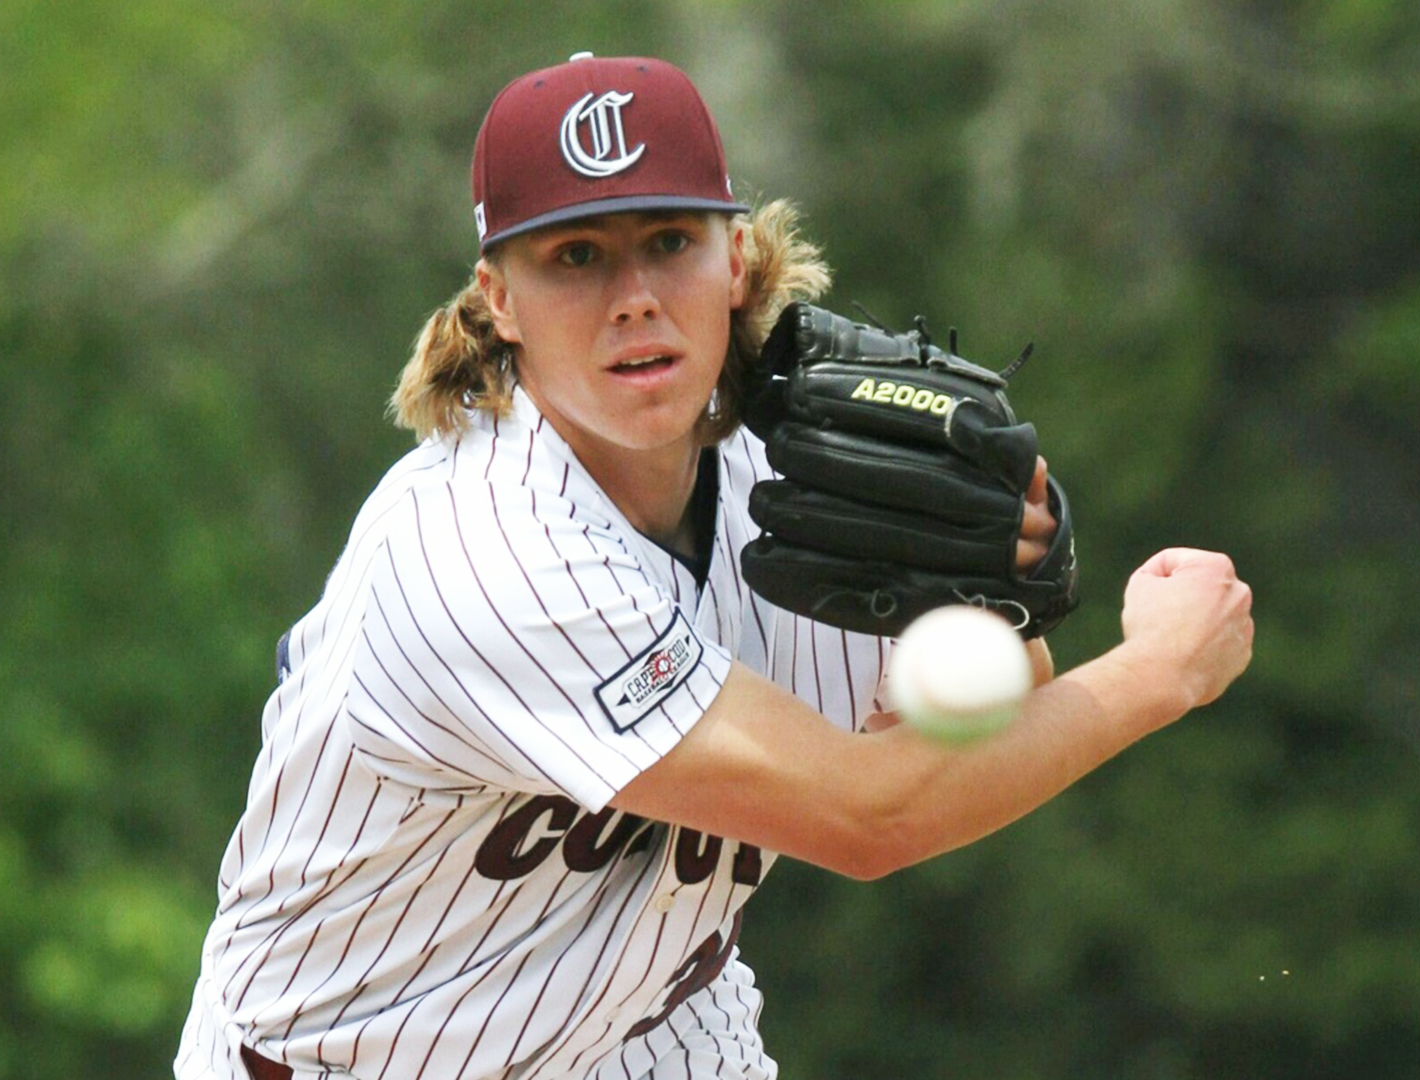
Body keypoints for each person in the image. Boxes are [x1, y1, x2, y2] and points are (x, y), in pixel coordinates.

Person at [175, 52, 1253, 1080]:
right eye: (576, 256)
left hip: (646, 1029)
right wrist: (1159, 672)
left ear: (735, 259)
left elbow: (981, 729)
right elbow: (871, 818)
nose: (633, 295)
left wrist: (990, 605)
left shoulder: (793, 474)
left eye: (668, 241)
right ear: (497, 301)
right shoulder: (482, 546)